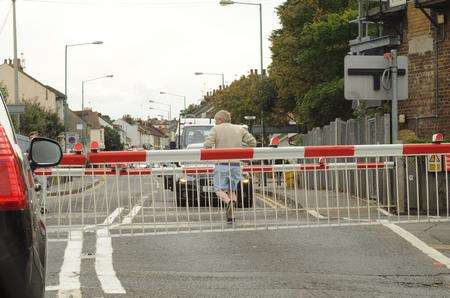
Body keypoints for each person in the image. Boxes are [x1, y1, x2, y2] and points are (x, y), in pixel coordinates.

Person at [204, 110, 257, 222]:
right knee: (231, 190)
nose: (215, 123)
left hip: (222, 164)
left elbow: (207, 145)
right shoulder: (240, 128)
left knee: (218, 190)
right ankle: (231, 216)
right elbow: (252, 142)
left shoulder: (216, 129)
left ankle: (228, 202)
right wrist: (243, 154)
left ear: (220, 120)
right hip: (236, 165)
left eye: (215, 120)